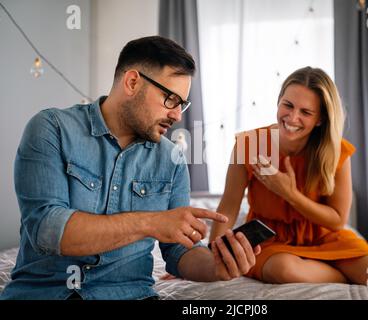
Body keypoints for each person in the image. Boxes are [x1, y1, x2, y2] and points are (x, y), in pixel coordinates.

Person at [0, 36, 259, 300]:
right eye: (170, 98)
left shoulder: (173, 160)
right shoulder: (51, 128)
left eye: (182, 104)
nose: (177, 115)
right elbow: (48, 231)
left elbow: (179, 253)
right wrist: (151, 222)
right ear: (132, 82)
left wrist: (217, 266)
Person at [209, 67, 368, 300]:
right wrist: (211, 256)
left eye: (306, 112)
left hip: (326, 238)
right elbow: (228, 207)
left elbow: (337, 220)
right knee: (284, 269)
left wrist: (290, 193)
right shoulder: (248, 144)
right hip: (269, 240)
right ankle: (343, 277)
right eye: (288, 105)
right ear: (278, 102)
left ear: (321, 119)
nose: (293, 118)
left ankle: (340, 272)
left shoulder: (336, 152)